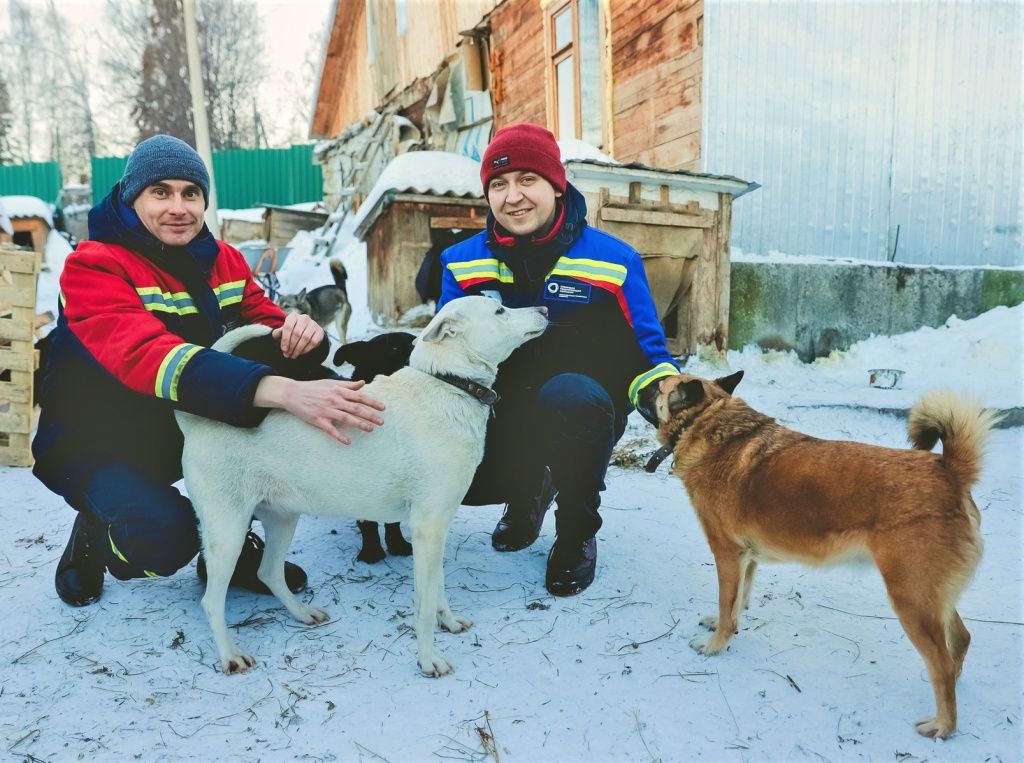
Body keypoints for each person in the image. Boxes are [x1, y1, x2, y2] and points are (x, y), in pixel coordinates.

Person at [33, 134, 385, 607]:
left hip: (181, 415)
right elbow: (147, 355)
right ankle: (99, 525)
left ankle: (232, 547)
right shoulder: (92, 267)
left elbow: (266, 327)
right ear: (131, 196)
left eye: (190, 193)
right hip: (100, 438)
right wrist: (279, 391)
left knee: (274, 423)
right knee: (162, 542)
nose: (178, 207)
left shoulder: (223, 260)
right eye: (161, 192)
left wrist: (303, 335)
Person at [438, 123, 680, 596]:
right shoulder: (460, 263)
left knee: (570, 396)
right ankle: (526, 493)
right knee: (466, 480)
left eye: (528, 180)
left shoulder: (614, 261)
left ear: (557, 183)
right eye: (499, 185)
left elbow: (652, 353)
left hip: (584, 411)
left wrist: (675, 403)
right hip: (502, 408)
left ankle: (575, 534)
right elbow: (447, 358)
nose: (513, 197)